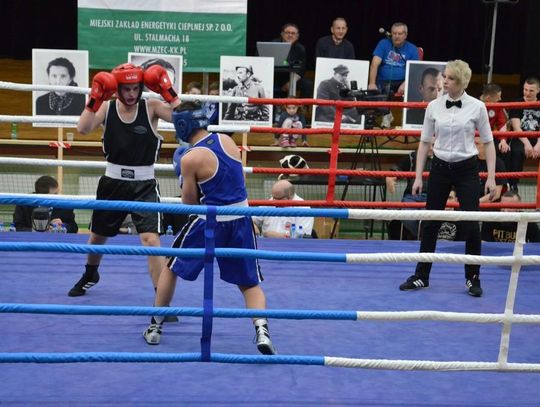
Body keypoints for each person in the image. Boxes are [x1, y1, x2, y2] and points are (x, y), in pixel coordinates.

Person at [142, 101, 276, 355]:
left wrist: (183, 178)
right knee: (248, 283)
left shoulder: (191, 158)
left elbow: (190, 203)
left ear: (182, 126)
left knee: (171, 267)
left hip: (210, 222)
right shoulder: (227, 141)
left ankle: (155, 327)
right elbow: (240, 182)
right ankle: (262, 330)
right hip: (241, 219)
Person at [67, 62, 181, 297]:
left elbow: (185, 122)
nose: (131, 94)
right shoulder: (107, 108)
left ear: (141, 87)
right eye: (126, 89)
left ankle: (161, 296)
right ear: (116, 89)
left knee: (151, 240)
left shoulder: (151, 107)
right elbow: (83, 128)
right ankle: (90, 273)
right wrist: (94, 99)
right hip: (112, 181)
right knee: (98, 234)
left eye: (135, 88)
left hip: (145, 184)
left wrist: (170, 94)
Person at [399, 59, 497, 297]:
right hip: (440, 167)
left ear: (461, 81)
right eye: (445, 76)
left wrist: (491, 177)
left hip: (467, 169)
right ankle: (422, 275)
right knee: (431, 222)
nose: (444, 81)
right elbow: (423, 143)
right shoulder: (433, 106)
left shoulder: (477, 107)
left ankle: (473, 277)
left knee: (472, 224)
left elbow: (489, 143)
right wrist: (418, 176)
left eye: (450, 78)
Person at [386, 144, 434, 239]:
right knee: (407, 217)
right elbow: (396, 170)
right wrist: (390, 178)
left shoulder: (442, 159)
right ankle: (423, 237)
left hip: (432, 197)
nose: (431, 148)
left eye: (433, 145)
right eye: (428, 144)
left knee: (429, 219)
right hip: (411, 196)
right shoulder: (412, 156)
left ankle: (421, 237)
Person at [501, 77, 540, 191]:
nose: (527, 93)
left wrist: (538, 145)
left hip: (538, 137)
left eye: (531, 90)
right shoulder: (517, 103)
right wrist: (527, 144)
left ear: (538, 90)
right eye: (525, 89)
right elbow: (517, 127)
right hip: (521, 137)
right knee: (516, 152)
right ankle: (513, 185)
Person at [12, 175, 78, 233]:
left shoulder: (64, 206)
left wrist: (63, 226)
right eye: (54, 194)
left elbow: (74, 228)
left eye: (57, 193)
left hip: (56, 244)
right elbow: (17, 227)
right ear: (41, 196)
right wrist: (36, 231)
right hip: (30, 243)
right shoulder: (23, 204)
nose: (58, 196)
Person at [368, 22, 420, 95]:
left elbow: (415, 71)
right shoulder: (383, 43)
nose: (396, 36)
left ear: (405, 35)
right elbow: (374, 64)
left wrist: (406, 83)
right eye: (394, 33)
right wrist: (372, 83)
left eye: (400, 34)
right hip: (382, 82)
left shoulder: (412, 49)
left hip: (402, 84)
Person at [272, 23, 313, 98]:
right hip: (274, 77)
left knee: (308, 85)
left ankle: (300, 106)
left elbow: (301, 70)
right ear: (282, 34)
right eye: (287, 32)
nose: (290, 35)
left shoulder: (300, 49)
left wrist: (291, 83)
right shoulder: (273, 45)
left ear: (297, 36)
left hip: (291, 78)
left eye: (293, 33)